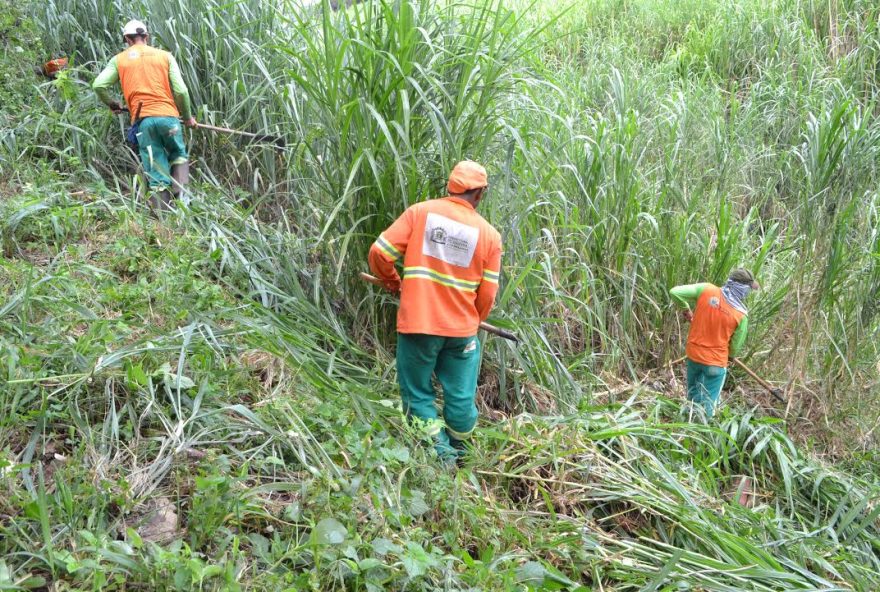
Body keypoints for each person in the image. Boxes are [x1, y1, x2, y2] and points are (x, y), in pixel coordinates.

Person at [368, 161, 502, 462]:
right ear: (480, 194)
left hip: (419, 325)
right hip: (462, 333)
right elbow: (489, 292)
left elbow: (380, 252)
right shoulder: (490, 235)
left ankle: (440, 457)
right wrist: (473, 320)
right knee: (460, 395)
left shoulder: (420, 213)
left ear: (449, 187)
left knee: (417, 393)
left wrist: (392, 281)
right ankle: (463, 454)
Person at [92, 19, 196, 208]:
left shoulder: (119, 60)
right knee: (178, 154)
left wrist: (112, 103)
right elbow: (181, 91)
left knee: (156, 167)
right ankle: (184, 205)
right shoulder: (165, 56)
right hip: (169, 120)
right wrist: (188, 118)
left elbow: (98, 85)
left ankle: (163, 217)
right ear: (146, 37)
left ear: (127, 39)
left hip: (145, 123)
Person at [670, 268, 759, 417]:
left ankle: (687, 423)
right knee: (710, 403)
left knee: (692, 394)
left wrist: (685, 309)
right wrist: (730, 357)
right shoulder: (741, 315)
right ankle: (704, 433)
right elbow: (735, 347)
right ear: (743, 289)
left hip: (693, 355)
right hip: (715, 363)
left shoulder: (706, 289)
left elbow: (675, 292)